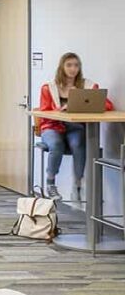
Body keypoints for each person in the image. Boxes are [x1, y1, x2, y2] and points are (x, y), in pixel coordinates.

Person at [35, 52, 115, 201]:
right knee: (56, 144)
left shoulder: (88, 86)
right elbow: (44, 111)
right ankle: (50, 183)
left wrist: (79, 105)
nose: (73, 69)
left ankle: (78, 183)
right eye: (69, 65)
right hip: (52, 126)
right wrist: (61, 110)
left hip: (75, 126)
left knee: (79, 143)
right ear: (62, 67)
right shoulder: (49, 88)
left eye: (76, 65)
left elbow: (107, 104)